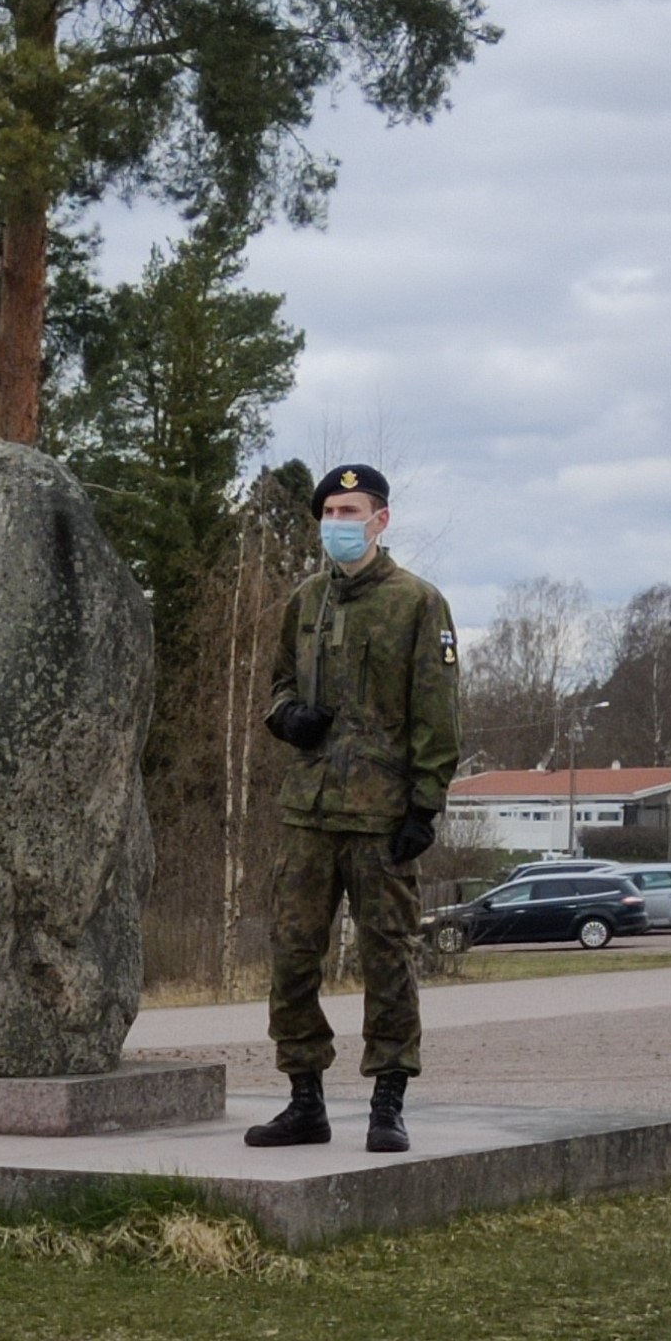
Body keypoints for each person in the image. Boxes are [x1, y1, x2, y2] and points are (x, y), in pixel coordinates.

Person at [246, 464, 461, 1154]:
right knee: (291, 956)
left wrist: (424, 806)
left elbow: (436, 712)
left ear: (379, 519)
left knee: (387, 958)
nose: (336, 522)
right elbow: (279, 679)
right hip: (307, 813)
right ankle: (303, 1099)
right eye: (328, 511)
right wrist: (286, 718)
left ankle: (387, 1100)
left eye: (350, 510)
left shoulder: (416, 603)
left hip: (380, 817)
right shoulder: (305, 600)